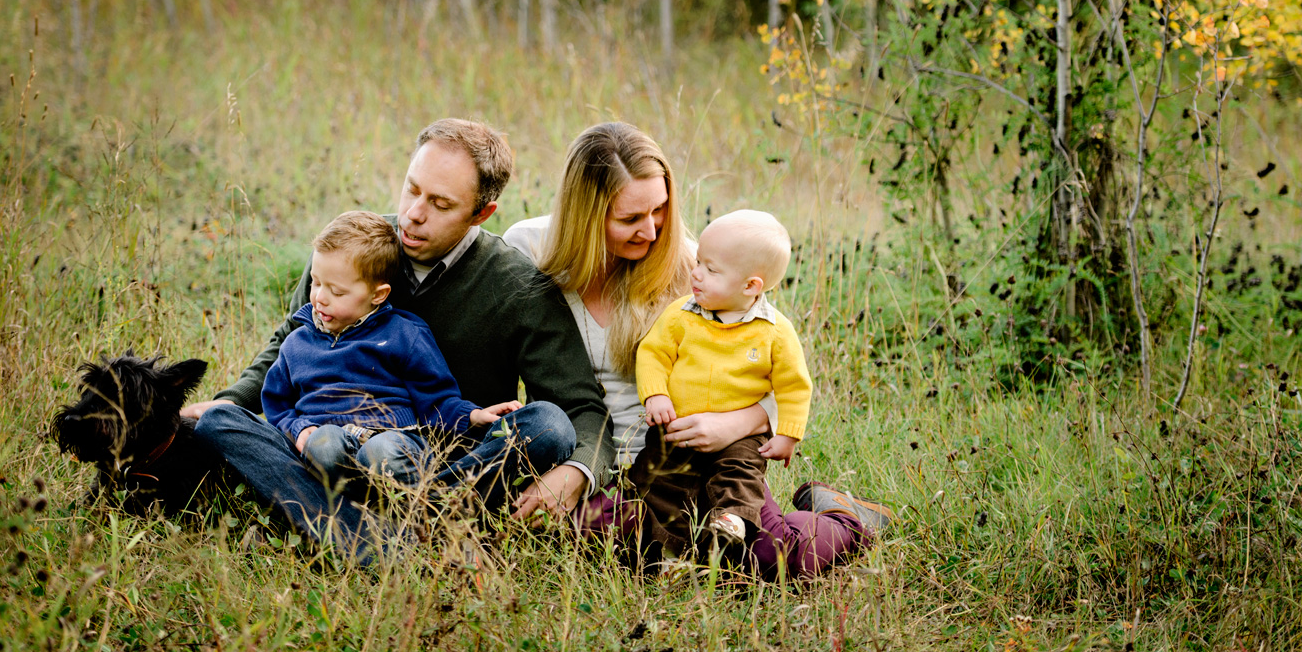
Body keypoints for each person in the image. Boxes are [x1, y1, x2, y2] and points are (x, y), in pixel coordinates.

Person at [185, 119, 611, 559]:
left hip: (443, 461)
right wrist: (232, 401)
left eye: (440, 204)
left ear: (482, 214)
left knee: (549, 424)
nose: (413, 214)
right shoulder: (357, 248)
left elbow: (581, 409)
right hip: (327, 449)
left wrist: (579, 471)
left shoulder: (519, 287)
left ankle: (371, 531)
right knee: (218, 424)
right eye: (412, 189)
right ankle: (423, 536)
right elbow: (292, 341)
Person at [504, 122, 893, 580]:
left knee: (773, 559)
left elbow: (773, 370)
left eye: (660, 210)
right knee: (572, 541)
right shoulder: (529, 251)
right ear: (586, 215)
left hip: (694, 457)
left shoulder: (698, 270)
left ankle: (847, 517)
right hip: (593, 462)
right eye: (629, 219)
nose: (650, 231)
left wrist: (732, 423)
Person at [258, 211, 522, 497]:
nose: (320, 297)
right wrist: (298, 428)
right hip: (329, 442)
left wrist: (472, 415)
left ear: (378, 294)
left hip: (394, 438)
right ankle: (355, 503)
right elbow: (277, 403)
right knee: (323, 444)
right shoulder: (297, 344)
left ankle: (411, 503)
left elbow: (436, 399)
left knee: (380, 451)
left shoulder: (403, 334)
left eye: (336, 291)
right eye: (316, 282)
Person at [630, 210, 812, 557]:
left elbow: (794, 386)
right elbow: (653, 354)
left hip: (740, 437)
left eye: (711, 270)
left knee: (741, 475)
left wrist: (788, 434)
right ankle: (671, 552)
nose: (696, 274)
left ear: (750, 286)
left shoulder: (774, 332)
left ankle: (731, 523)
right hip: (675, 428)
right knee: (659, 485)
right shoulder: (681, 314)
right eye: (698, 262)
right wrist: (654, 394)